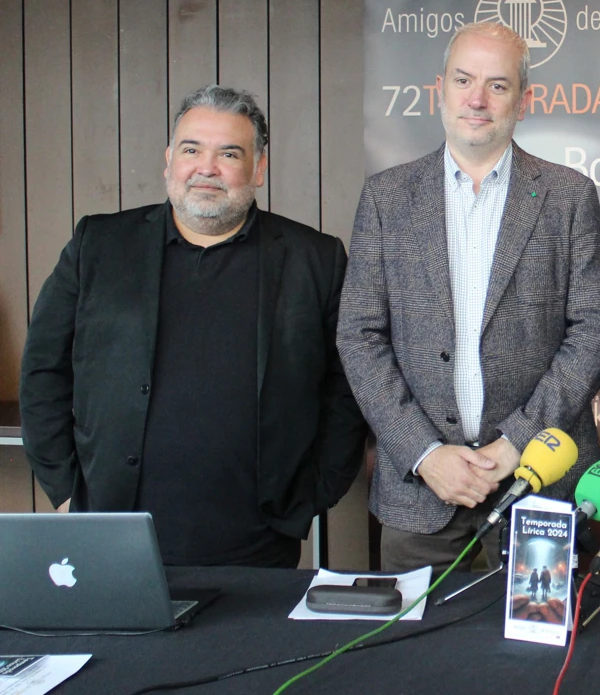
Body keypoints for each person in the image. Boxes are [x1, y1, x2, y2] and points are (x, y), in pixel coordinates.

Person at [20, 85, 367, 568]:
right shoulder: (97, 245)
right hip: (112, 529)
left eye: (229, 152)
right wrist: (66, 494)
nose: (207, 167)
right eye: (191, 149)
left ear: (259, 168)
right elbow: (42, 372)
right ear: (169, 160)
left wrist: (310, 496)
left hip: (259, 543)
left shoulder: (315, 259)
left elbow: (348, 387)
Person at [337, 21, 600, 574]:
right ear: (439, 88)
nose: (477, 99)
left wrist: (518, 441)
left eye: (498, 85)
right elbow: (359, 334)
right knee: (416, 657)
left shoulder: (567, 196)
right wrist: (424, 453)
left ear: (524, 100)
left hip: (539, 487)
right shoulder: (386, 197)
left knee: (538, 655)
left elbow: (596, 333)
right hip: (420, 499)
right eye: (464, 80)